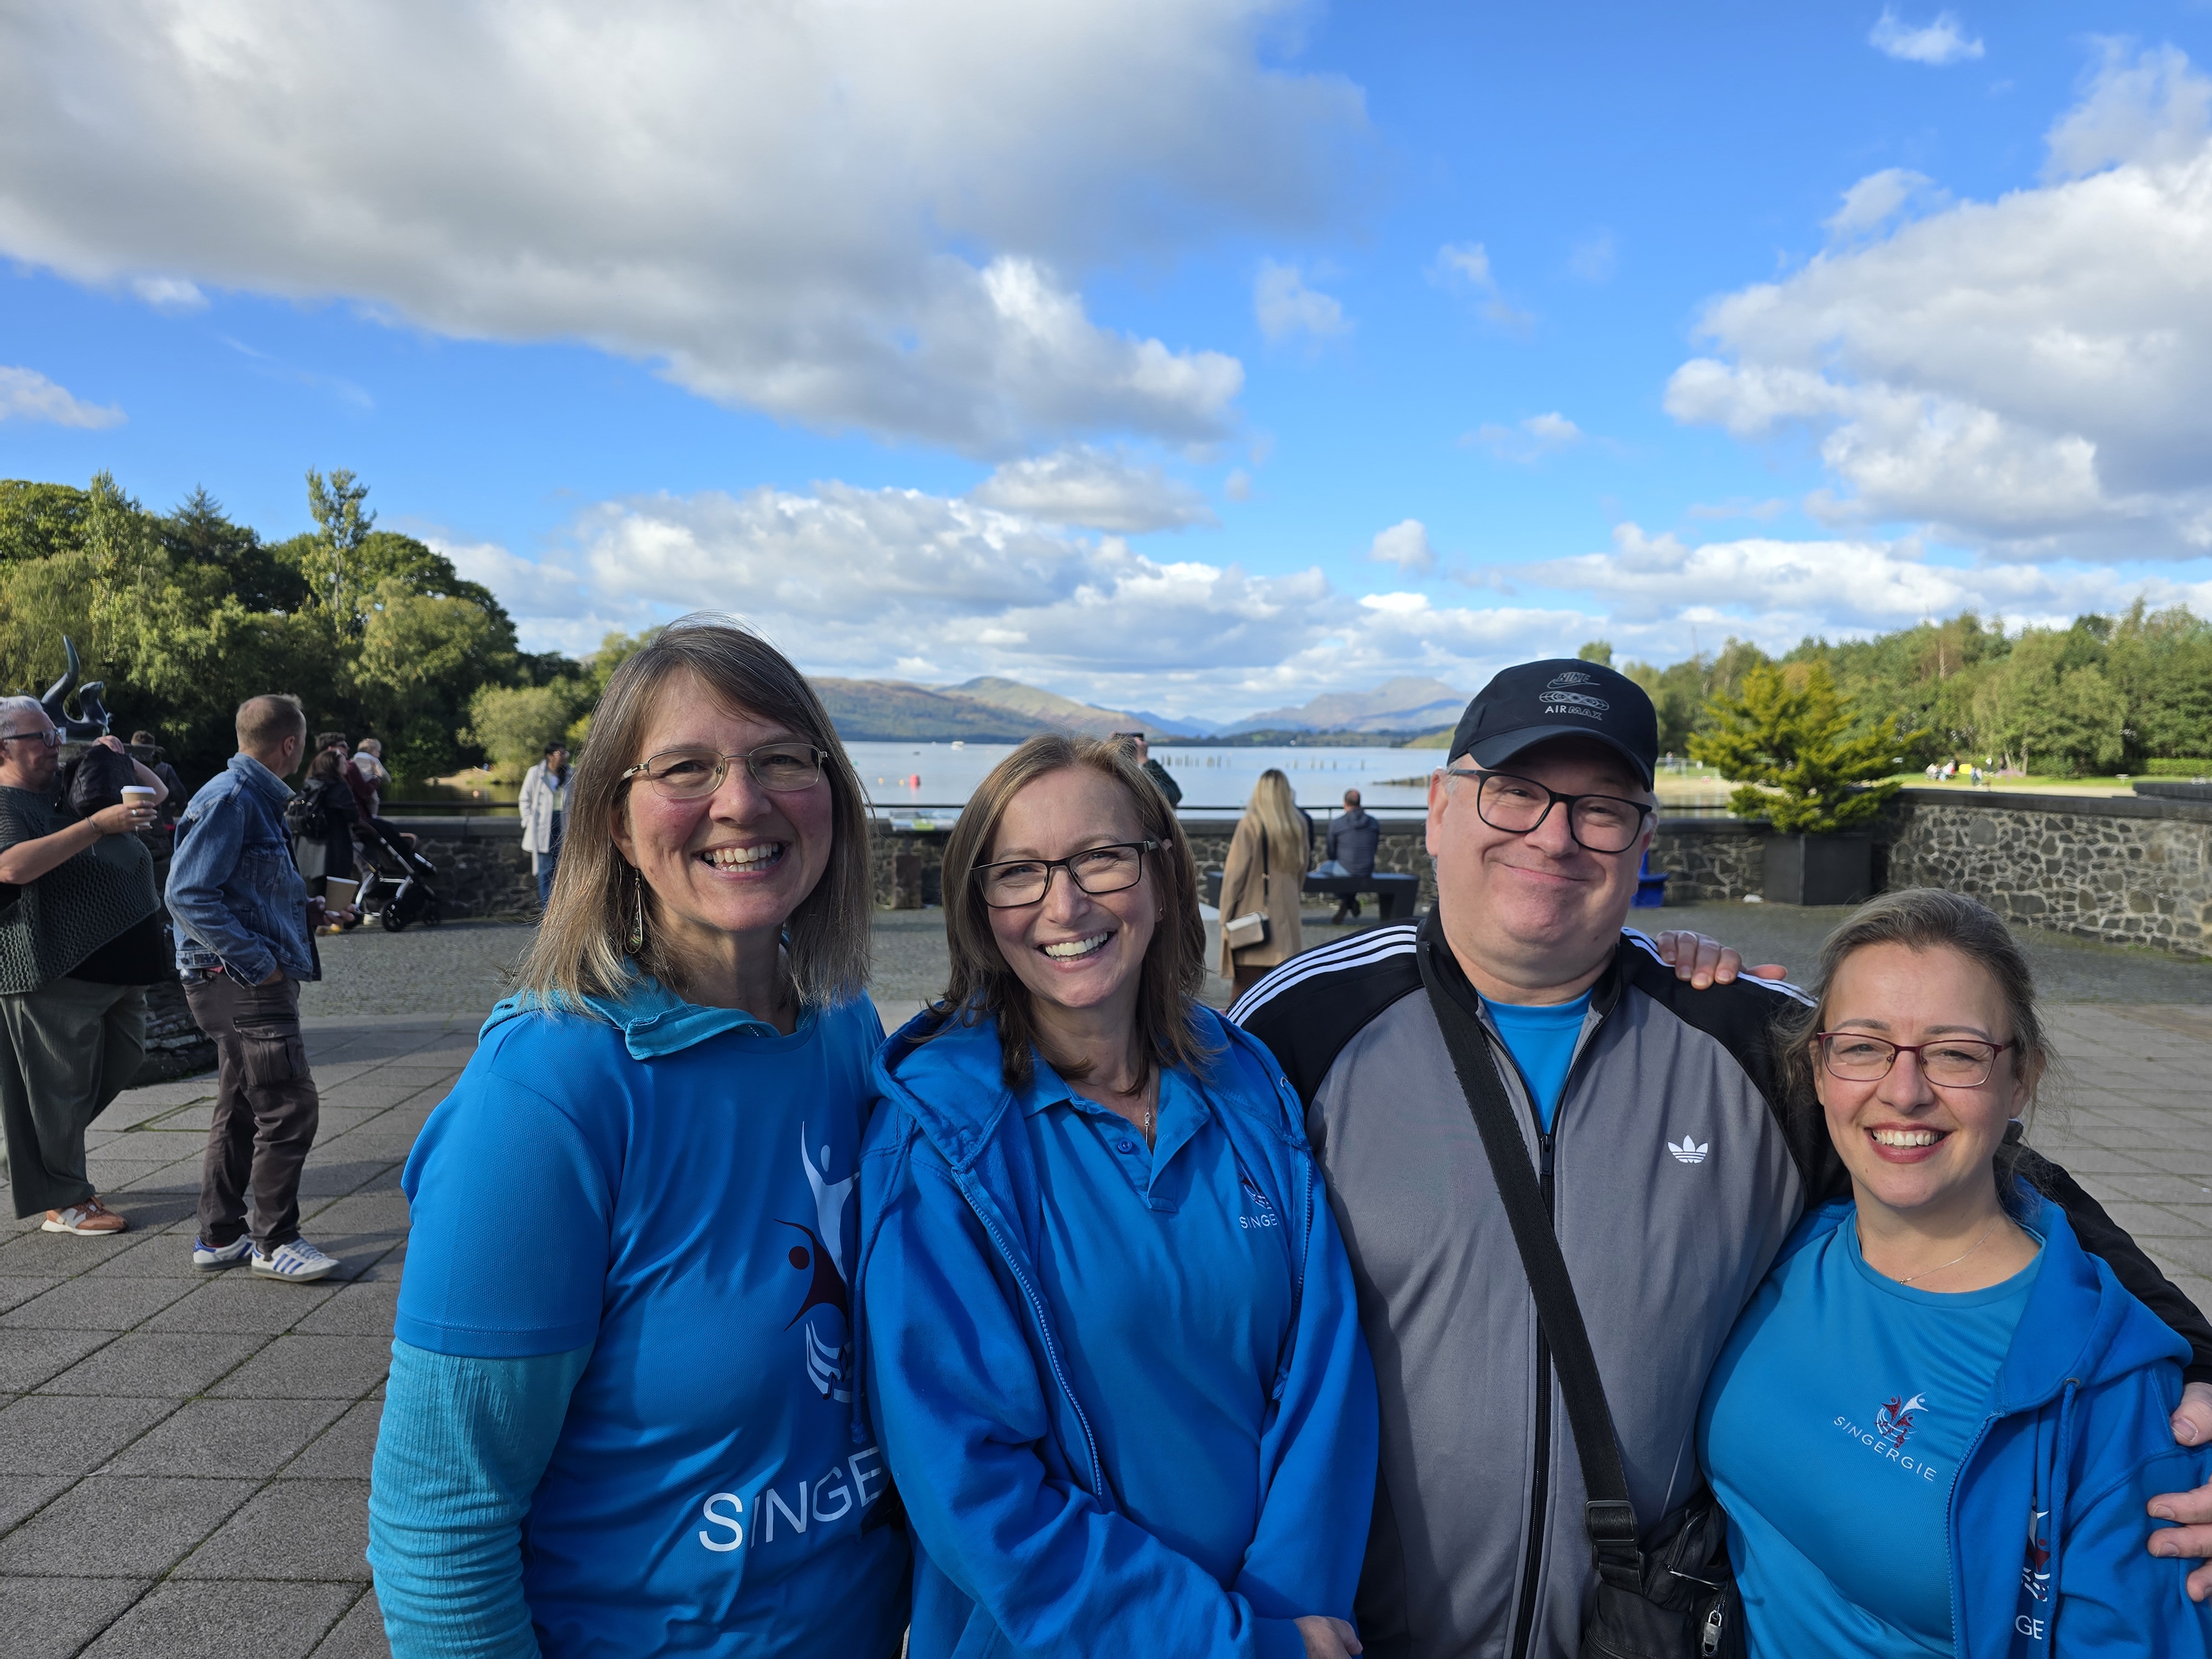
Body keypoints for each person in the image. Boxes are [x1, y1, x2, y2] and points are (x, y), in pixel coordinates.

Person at [1230, 658, 2212, 1657]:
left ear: (1643, 841)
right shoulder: (1300, 1027)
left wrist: (2199, 1367)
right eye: (1515, 792)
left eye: (1602, 808)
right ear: (1441, 808)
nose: (1554, 836)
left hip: (1631, 1632)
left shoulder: (1746, 1038)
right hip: (1356, 1634)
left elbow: (1992, 1178)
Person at [368, 615, 907, 1657]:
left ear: (831, 794)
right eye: (686, 769)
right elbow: (441, 1526)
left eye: (781, 759)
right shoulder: (545, 1097)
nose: (741, 801)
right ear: (616, 824)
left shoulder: (845, 1026)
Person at [860, 733, 1376, 1659]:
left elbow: (1323, 1373)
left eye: (1101, 858)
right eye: (1019, 872)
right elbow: (968, 1484)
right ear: (980, 907)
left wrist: (1290, 1622)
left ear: (1163, 876)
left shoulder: (1244, 1078)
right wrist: (1223, 1644)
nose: (1065, 904)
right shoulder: (939, 1137)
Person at [1702, 888, 2212, 1655]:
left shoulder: (2110, 1393)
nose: (1904, 1091)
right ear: (1818, 1068)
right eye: (1863, 1046)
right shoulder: (1785, 1247)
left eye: (1956, 1054)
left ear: (2021, 1079)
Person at [167, 694, 341, 1283]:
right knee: (289, 1106)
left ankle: (220, 1236)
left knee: (241, 1105)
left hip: (235, 978)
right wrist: (260, 964)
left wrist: (305, 910)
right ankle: (275, 1242)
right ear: (290, 745)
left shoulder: (247, 797)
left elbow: (242, 890)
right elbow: (187, 894)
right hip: (239, 983)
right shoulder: (235, 798)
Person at [0, 700, 168, 1235]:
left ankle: (32, 1154)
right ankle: (65, 1201)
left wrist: (115, 755)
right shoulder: (5, 803)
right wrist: (96, 825)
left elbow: (156, 796)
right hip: (52, 967)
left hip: (117, 966)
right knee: (60, 1090)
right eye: (41, 738)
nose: (55, 745)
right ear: (3, 748)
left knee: (123, 1058)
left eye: (55, 735)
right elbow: (12, 866)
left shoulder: (66, 785)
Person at [1217, 768, 1309, 999]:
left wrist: (1225, 916)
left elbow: (1234, 876)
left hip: (1253, 921)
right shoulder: (1298, 825)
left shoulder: (1251, 824)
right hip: (1286, 922)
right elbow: (1301, 873)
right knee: (1278, 993)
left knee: (1243, 993)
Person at [296, 745, 361, 927]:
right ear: (333, 766)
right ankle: (336, 924)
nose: (347, 764)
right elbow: (353, 815)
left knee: (310, 906)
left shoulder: (309, 785)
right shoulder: (339, 787)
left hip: (305, 853)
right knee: (335, 903)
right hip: (334, 851)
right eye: (343, 762)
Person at [519, 740, 571, 909]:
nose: (564, 756)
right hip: (543, 828)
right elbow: (525, 799)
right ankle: (547, 911)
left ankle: (561, 909)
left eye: (565, 753)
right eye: (560, 753)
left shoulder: (570, 773)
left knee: (562, 870)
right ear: (550, 756)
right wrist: (528, 821)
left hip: (563, 825)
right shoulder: (536, 773)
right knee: (546, 871)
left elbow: (576, 799)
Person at [1317, 787, 1379, 924]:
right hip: (1367, 869)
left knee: (1322, 871)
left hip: (1346, 868)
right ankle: (1349, 902)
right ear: (1360, 803)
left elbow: (1331, 852)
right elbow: (1374, 847)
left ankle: (1348, 901)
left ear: (1345, 803)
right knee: (1350, 871)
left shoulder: (1337, 823)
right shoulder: (1373, 822)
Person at [1113, 731, 1182, 807]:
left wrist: (1110, 749)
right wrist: (1144, 759)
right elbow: (1174, 795)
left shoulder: (1106, 779)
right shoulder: (1134, 783)